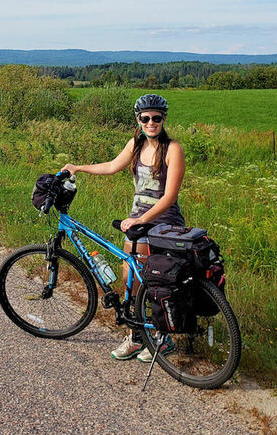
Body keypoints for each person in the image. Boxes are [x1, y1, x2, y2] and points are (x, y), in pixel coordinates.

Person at [61, 94, 186, 362]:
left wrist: (143, 220)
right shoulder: (136, 144)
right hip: (137, 220)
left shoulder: (172, 149)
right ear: (138, 120)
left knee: (155, 280)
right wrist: (79, 168)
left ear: (164, 119)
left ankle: (163, 338)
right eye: (145, 118)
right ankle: (136, 336)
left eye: (156, 118)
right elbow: (111, 166)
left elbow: (169, 197)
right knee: (131, 276)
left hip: (163, 222)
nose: (151, 122)